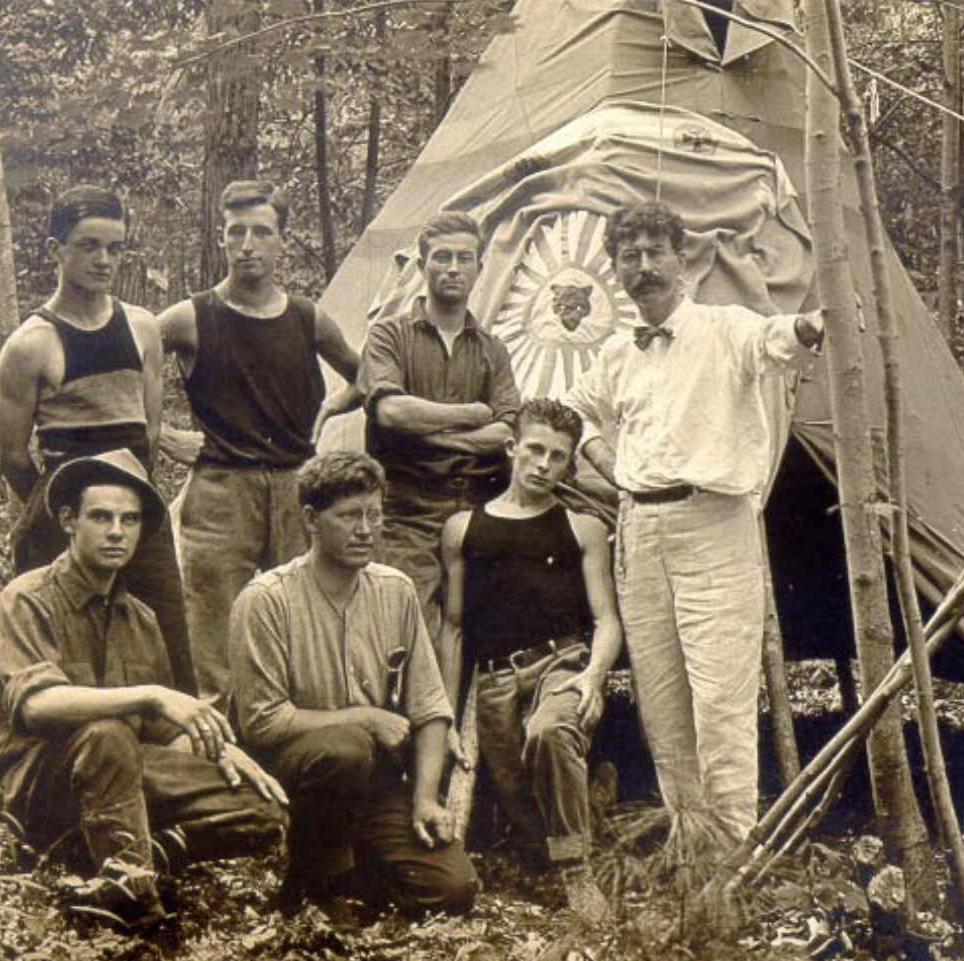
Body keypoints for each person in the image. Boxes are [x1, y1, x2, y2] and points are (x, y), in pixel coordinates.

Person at [563, 202, 825, 842]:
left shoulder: (724, 327)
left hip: (715, 524)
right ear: (617, 269)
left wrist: (817, 324)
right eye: (631, 256)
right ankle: (690, 841)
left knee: (719, 699)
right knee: (662, 699)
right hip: (639, 531)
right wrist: (609, 461)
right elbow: (573, 414)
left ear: (682, 261)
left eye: (656, 252)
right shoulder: (617, 354)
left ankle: (734, 848)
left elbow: (779, 340)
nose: (644, 266)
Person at [0, 449, 288, 929]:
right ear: (68, 521)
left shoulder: (141, 618)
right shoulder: (25, 599)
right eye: (100, 517)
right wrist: (150, 695)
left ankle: (107, 861)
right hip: (34, 785)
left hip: (117, 782)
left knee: (261, 810)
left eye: (129, 519)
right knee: (108, 735)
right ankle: (136, 913)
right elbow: (36, 706)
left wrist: (217, 750)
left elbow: (160, 734)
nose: (116, 531)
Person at [228, 451, 477, 918]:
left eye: (374, 515)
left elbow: (430, 709)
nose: (366, 529)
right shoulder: (265, 600)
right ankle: (323, 878)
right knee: (345, 748)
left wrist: (425, 797)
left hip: (376, 783)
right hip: (292, 781)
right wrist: (364, 717)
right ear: (310, 520)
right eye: (348, 516)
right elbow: (262, 722)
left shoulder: (396, 590)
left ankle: (344, 871)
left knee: (452, 889)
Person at [157, 179, 362, 712]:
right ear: (222, 239)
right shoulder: (190, 317)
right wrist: (157, 431)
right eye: (236, 232)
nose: (248, 243)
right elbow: (126, 358)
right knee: (214, 634)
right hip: (220, 489)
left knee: (300, 616)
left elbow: (368, 375)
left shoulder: (306, 317)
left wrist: (336, 406)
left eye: (262, 232)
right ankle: (219, 755)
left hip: (297, 488)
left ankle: (301, 745)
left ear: (281, 241)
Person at [0, 186, 194, 693]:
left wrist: (131, 503)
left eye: (115, 247)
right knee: (62, 652)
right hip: (66, 514)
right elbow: (14, 457)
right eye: (88, 246)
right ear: (55, 250)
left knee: (168, 637)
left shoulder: (143, 328)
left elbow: (147, 432)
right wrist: (56, 508)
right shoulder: (30, 345)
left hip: (137, 509)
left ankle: (182, 759)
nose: (103, 260)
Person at [439, 398, 620, 914]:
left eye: (558, 456)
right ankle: (596, 798)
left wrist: (593, 675)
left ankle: (578, 872)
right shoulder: (461, 529)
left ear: (569, 465)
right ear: (512, 448)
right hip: (494, 681)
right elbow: (452, 628)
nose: (544, 464)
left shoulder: (581, 528)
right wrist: (447, 715)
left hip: (559, 665)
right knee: (523, 822)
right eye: (535, 450)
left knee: (550, 731)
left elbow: (606, 618)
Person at [358, 211, 521, 631]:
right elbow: (390, 411)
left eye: (464, 259)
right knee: (408, 629)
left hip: (476, 506)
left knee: (479, 629)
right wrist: (470, 416)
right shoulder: (388, 335)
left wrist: (429, 435)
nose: (453, 268)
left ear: (479, 269)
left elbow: (505, 432)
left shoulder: (492, 349)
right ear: (422, 265)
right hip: (405, 511)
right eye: (442, 257)